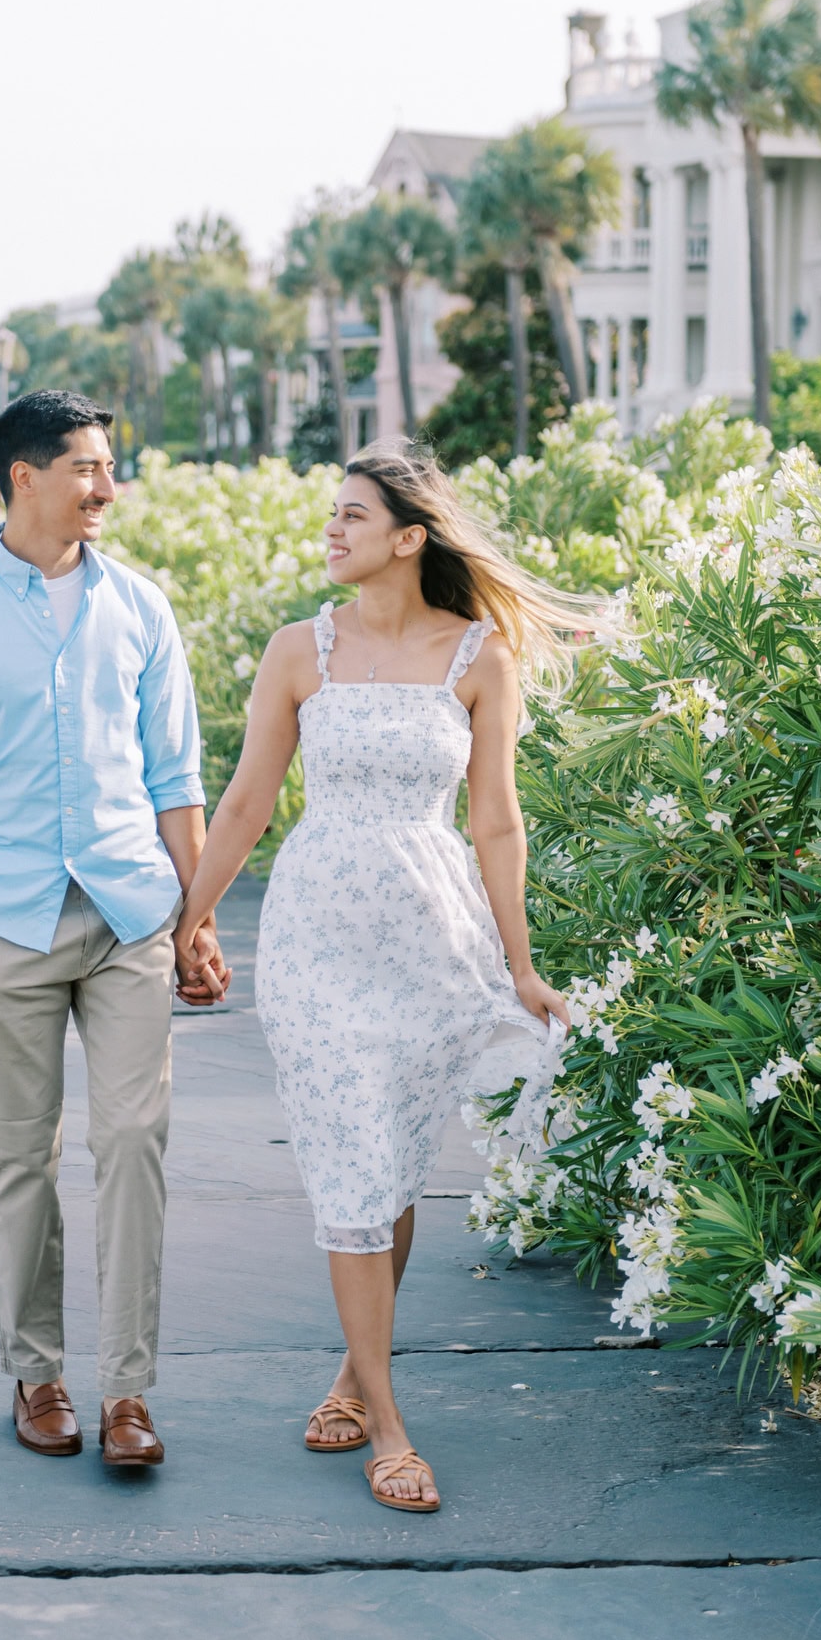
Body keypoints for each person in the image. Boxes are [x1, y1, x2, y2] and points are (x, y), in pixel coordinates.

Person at [175, 442, 582, 1515]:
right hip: (316, 942)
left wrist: (522, 963)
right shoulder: (296, 650)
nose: (332, 530)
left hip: (431, 939)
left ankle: (356, 1374)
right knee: (352, 1159)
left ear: (409, 536)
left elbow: (495, 819)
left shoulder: (480, 655)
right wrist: (190, 914)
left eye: (352, 515)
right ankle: (391, 1427)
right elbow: (246, 802)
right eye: (332, 514)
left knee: (390, 1163)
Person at [0, 389, 228, 1468]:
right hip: (11, 923)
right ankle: (36, 1373)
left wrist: (197, 915)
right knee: (19, 1157)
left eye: (108, 465)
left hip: (131, 910)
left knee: (134, 1141)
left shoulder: (141, 604)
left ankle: (128, 1392)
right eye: (87, 466)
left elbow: (176, 775)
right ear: (24, 475)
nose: (107, 486)